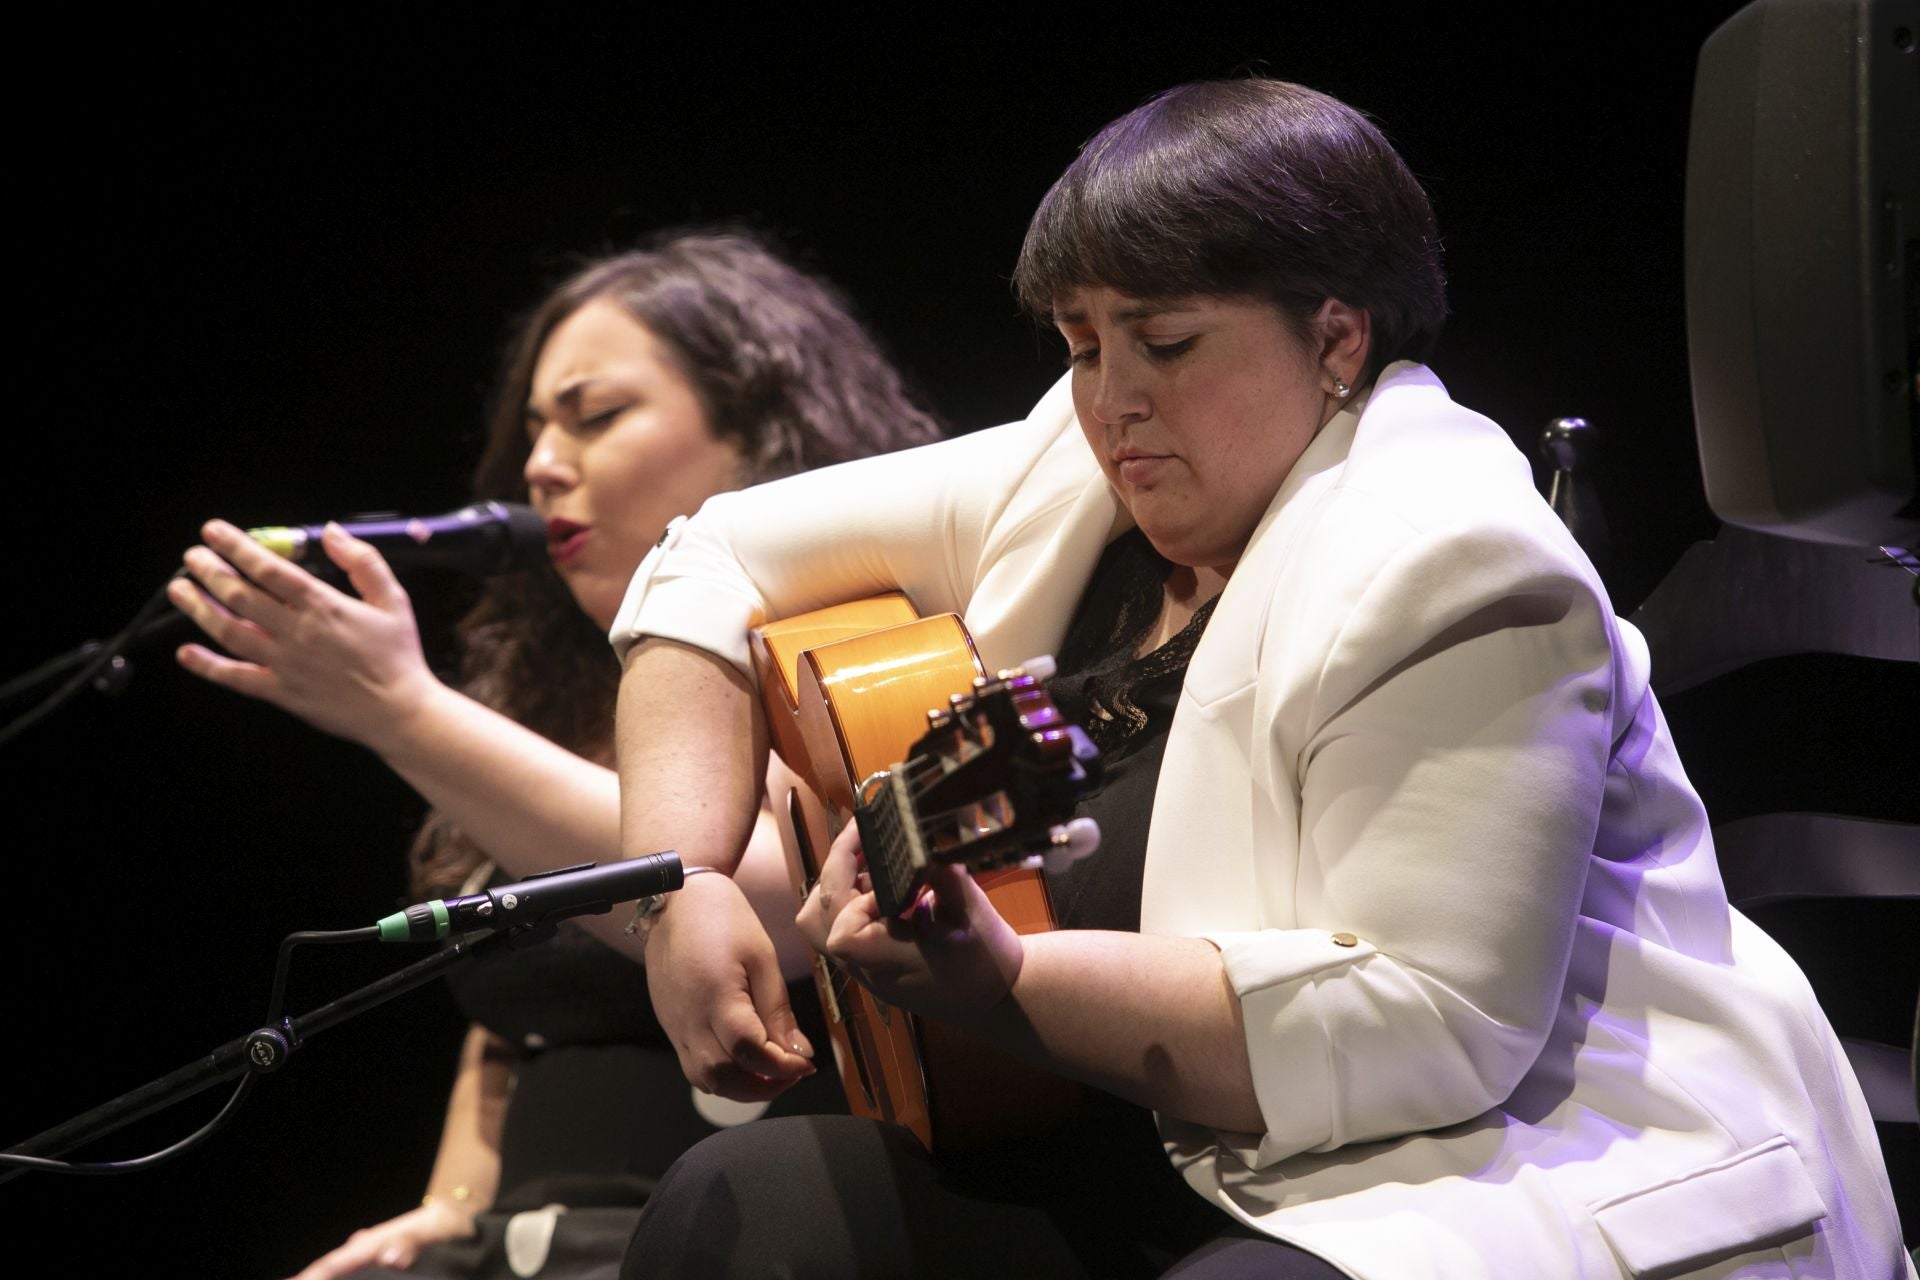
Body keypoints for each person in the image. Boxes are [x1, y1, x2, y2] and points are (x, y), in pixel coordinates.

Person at [607, 83, 1911, 1277]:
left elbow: (1435, 1030)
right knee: (748, 1204)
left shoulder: (1454, 556)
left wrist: (1003, 985)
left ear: (1334, 337)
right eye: (1081, 342)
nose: (1109, 399)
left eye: (1165, 343)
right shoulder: (1079, 460)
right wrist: (684, 881)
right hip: (1154, 1136)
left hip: (1475, 1170)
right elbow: (710, 561)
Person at [166, 231, 944, 1279]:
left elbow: (763, 902)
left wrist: (403, 712)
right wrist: (446, 1210)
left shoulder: (839, 652)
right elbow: (507, 1014)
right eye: (533, 428)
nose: (540, 463)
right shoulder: (560, 697)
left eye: (597, 416)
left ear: (763, 429)